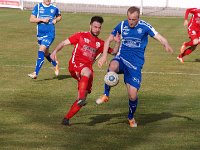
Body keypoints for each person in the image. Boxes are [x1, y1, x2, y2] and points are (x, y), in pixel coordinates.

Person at [96, 6, 173, 128]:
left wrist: (166, 44)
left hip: (135, 65)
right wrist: (104, 56)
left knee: (132, 95)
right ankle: (106, 94)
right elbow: (108, 40)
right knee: (113, 65)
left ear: (138, 18)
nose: (131, 22)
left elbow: (159, 37)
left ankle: (131, 117)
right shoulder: (122, 25)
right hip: (121, 58)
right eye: (129, 19)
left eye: (133, 19)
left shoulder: (144, 26)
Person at [50, 16, 120, 126]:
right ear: (90, 26)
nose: (97, 29)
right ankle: (82, 98)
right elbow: (63, 43)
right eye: (95, 27)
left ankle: (66, 119)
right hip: (75, 65)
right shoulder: (80, 35)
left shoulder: (100, 43)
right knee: (87, 73)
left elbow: (114, 52)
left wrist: (117, 42)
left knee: (82, 97)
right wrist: (54, 52)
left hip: (87, 71)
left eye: (99, 27)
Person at [28, 0, 62, 79]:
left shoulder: (54, 8)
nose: (48, 0)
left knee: (41, 50)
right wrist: (42, 19)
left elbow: (59, 16)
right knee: (46, 54)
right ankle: (55, 64)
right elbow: (31, 19)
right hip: (40, 35)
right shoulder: (38, 7)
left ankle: (35, 73)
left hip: (50, 34)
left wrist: (55, 20)